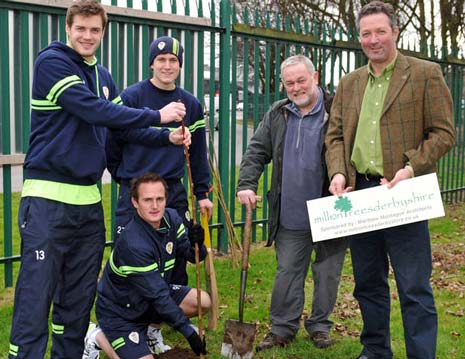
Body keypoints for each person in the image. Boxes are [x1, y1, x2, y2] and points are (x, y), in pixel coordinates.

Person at [7, 1, 189, 358]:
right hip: (48, 203)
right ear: (68, 29)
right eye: (81, 29)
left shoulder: (103, 76)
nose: (88, 36)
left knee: (76, 303)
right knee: (34, 302)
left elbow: (119, 126)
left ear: (103, 34)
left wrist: (164, 136)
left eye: (95, 30)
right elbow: (92, 108)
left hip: (89, 207)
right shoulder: (52, 62)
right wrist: (157, 115)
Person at [325, 2, 456, 359]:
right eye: (366, 33)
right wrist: (338, 170)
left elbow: (444, 133)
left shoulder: (425, 73)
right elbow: (334, 135)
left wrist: (412, 168)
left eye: (380, 31)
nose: (373, 39)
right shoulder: (350, 83)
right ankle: (375, 350)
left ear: (395, 32)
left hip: (403, 190)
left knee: (414, 286)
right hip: (360, 194)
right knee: (368, 284)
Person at [104, 35, 212, 353]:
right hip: (137, 190)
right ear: (152, 63)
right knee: (134, 259)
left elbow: (200, 149)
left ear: (180, 66)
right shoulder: (133, 95)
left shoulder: (190, 104)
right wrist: (125, 173)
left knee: (174, 263)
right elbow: (117, 134)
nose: (167, 65)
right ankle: (120, 325)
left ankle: (153, 329)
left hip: (172, 192)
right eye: (161, 60)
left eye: (173, 61)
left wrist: (202, 191)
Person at [236, 54, 348, 352]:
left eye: (301, 80)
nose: (296, 87)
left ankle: (320, 327)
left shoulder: (338, 110)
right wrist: (246, 184)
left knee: (327, 273)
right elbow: (257, 150)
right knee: (287, 273)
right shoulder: (278, 112)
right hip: (290, 213)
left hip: (332, 210)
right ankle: (282, 329)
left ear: (315, 77)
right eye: (289, 83)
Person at [90, 172, 210, 359]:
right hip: (121, 312)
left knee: (203, 301)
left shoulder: (171, 218)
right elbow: (159, 296)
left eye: (159, 199)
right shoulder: (133, 244)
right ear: (135, 202)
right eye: (147, 200)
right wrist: (188, 332)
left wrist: (198, 244)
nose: (155, 206)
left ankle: (150, 332)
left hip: (149, 299)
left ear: (166, 199)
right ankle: (97, 336)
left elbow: (192, 256)